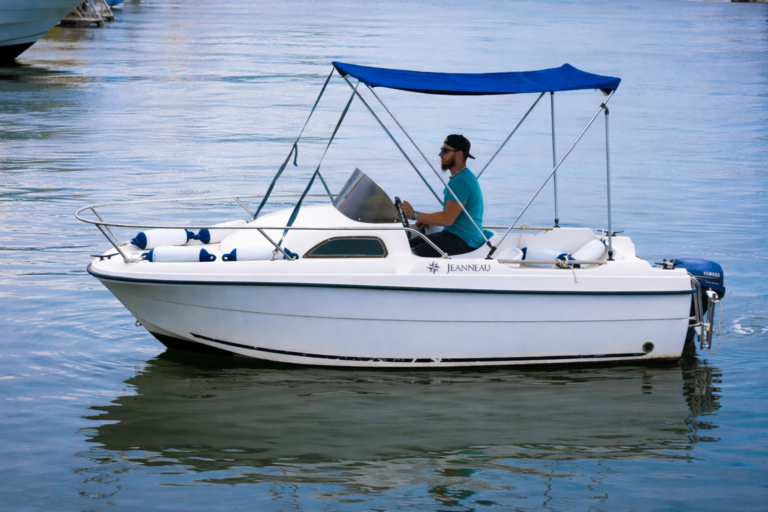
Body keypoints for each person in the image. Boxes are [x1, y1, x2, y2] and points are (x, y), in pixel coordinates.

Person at [399, 134, 486, 257]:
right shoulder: (460, 177)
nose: (440, 154)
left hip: (463, 242)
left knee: (407, 254)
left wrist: (415, 215)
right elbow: (454, 214)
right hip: (453, 236)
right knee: (403, 245)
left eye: (444, 150)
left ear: (459, 154)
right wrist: (427, 220)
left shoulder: (462, 181)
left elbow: (447, 219)